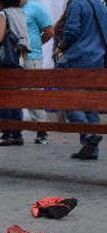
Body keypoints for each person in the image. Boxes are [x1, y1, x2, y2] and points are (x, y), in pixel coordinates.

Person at [55, 0, 107, 160]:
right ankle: (91, 148)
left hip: (77, 57)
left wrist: (60, 48)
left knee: (69, 100)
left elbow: (72, 31)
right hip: (97, 58)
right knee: (89, 103)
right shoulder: (100, 4)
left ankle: (89, 135)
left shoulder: (77, 3)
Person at [0, 0, 30, 147]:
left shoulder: (4, 14)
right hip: (18, 61)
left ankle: (6, 134)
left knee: (4, 98)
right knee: (15, 98)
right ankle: (17, 134)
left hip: (5, 63)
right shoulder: (21, 14)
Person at [21, 0, 54, 144]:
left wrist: (36, 44)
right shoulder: (11, 7)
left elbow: (49, 31)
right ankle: (15, 130)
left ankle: (42, 129)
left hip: (32, 57)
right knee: (20, 94)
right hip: (16, 57)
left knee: (34, 92)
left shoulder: (36, 7)